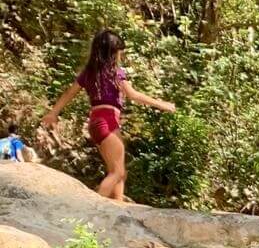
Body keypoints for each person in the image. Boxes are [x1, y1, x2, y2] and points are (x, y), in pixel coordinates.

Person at [40, 29, 175, 202]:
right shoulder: (115, 72)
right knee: (118, 172)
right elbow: (133, 95)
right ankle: (95, 205)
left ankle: (117, 205)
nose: (120, 56)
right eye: (119, 52)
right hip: (108, 121)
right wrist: (162, 104)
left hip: (95, 122)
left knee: (118, 171)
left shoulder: (89, 72)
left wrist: (53, 113)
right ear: (113, 52)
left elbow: (68, 93)